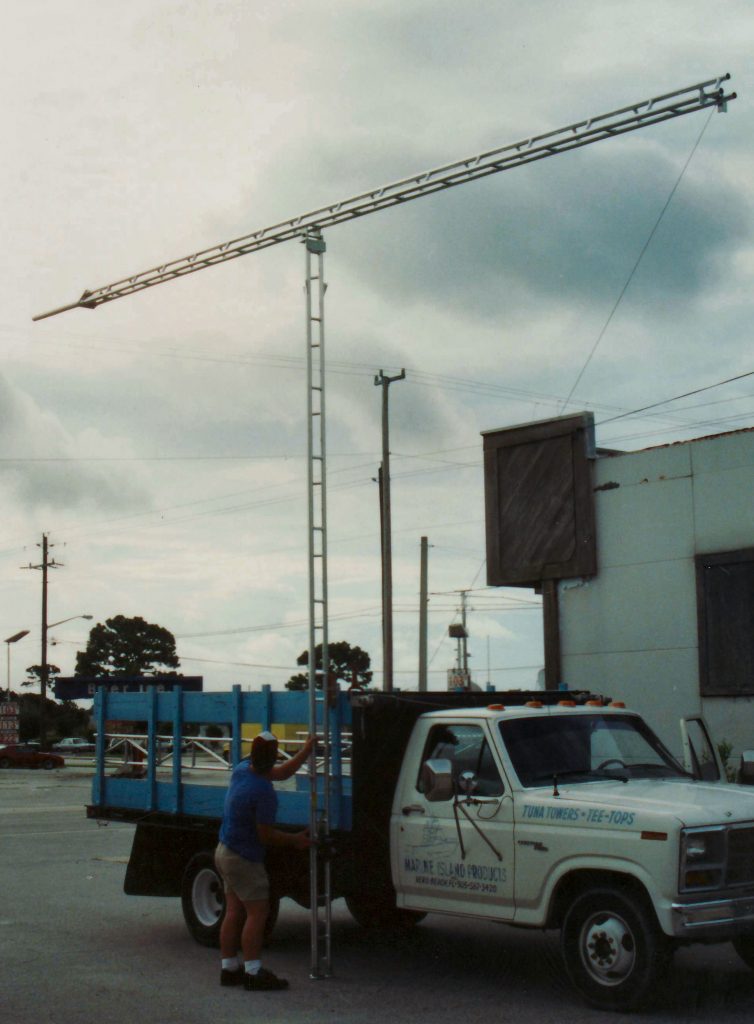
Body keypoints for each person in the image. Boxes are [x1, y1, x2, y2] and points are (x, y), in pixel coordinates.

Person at [215, 730, 314, 991]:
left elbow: (281, 773)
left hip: (224, 850)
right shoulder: (263, 792)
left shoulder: (242, 770)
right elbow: (266, 835)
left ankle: (229, 969)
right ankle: (253, 973)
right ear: (271, 757)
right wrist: (295, 840)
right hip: (243, 858)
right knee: (258, 913)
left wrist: (306, 750)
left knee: (234, 911)